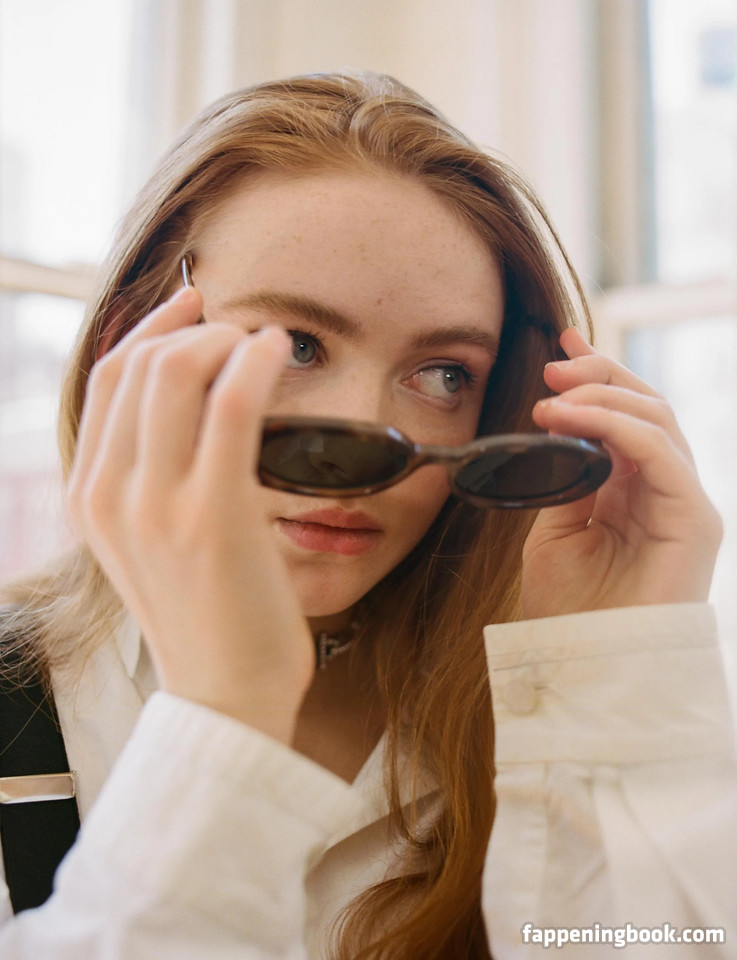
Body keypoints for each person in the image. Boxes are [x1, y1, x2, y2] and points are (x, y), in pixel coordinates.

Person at [0, 71, 734, 959]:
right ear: (129, 347)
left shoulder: (539, 715)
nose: (364, 444)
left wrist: (609, 684)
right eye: (292, 345)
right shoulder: (21, 710)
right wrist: (224, 719)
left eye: (443, 374)